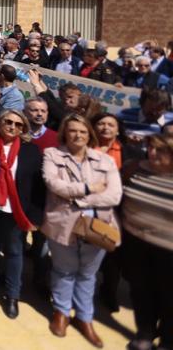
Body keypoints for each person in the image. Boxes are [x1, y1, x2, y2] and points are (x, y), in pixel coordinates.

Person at [42, 114, 122, 347]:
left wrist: (81, 200)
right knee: (64, 271)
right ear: (65, 132)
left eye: (83, 131)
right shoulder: (53, 155)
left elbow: (114, 194)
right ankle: (62, 312)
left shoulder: (104, 161)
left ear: (90, 135)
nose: (78, 135)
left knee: (88, 274)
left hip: (97, 226)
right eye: (73, 130)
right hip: (63, 224)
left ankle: (85, 318)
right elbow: (54, 185)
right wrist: (89, 188)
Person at [0, 110, 44, 319]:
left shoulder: (31, 151)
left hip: (16, 211)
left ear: (23, 129)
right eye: (8, 122)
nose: (12, 127)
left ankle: (12, 295)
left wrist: (36, 217)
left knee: (14, 252)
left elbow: (39, 187)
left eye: (18, 124)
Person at [121, 130, 173, 350]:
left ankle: (168, 340)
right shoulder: (134, 168)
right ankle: (145, 333)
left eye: (160, 150)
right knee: (140, 290)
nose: (152, 153)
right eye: (150, 147)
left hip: (169, 249)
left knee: (169, 297)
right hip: (135, 242)